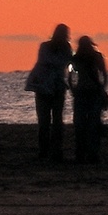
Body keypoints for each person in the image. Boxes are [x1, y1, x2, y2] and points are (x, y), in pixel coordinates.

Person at [23, 24, 71, 161]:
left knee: (54, 121)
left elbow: (61, 62)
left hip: (54, 87)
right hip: (45, 87)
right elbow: (56, 62)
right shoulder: (47, 46)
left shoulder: (61, 47)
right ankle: (46, 151)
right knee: (46, 121)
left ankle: (53, 151)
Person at [69, 34, 108, 163]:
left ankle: (80, 153)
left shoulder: (76, 58)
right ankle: (93, 153)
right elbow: (104, 74)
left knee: (80, 124)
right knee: (94, 123)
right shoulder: (97, 57)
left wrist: (72, 89)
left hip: (81, 91)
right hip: (93, 91)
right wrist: (102, 87)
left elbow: (70, 76)